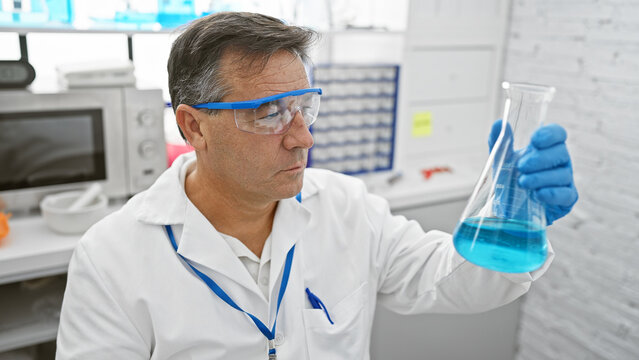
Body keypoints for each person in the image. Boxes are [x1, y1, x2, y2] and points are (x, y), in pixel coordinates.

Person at [56, 12, 579, 360]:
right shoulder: (112, 258)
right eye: (268, 114)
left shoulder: (346, 206)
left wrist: (514, 217)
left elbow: (450, 281)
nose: (303, 136)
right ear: (193, 127)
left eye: (305, 106)